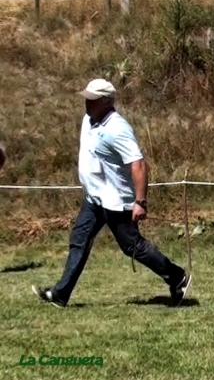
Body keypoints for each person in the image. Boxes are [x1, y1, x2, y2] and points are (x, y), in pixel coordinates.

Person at [32, 79, 192, 307]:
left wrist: (140, 202)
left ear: (106, 101)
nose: (87, 103)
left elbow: (138, 165)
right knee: (79, 240)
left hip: (116, 202)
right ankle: (60, 294)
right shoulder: (89, 121)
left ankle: (178, 278)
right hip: (94, 198)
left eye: (92, 99)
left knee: (133, 247)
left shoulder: (118, 129)